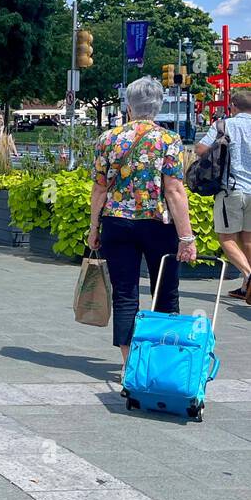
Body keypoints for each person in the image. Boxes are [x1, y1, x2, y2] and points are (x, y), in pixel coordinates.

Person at [86, 76, 198, 364]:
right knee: (165, 291)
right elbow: (174, 190)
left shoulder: (107, 139)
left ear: (129, 106)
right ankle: (160, 361)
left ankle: (130, 364)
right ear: (157, 107)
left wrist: (93, 227)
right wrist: (186, 237)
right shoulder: (169, 140)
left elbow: (99, 189)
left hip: (116, 222)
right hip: (158, 224)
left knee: (125, 293)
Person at [195, 88, 251, 300]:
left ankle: (249, 275)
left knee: (226, 237)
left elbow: (201, 149)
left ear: (233, 107)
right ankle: (246, 287)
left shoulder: (224, 125)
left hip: (231, 189)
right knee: (248, 238)